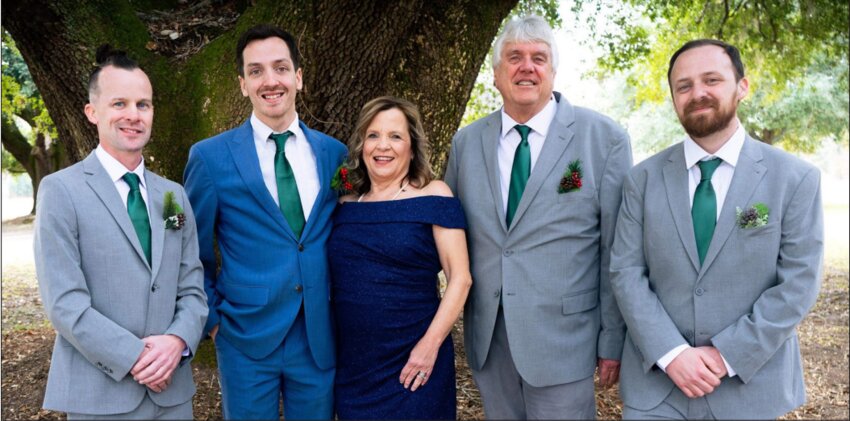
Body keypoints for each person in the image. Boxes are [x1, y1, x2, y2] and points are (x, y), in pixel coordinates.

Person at [609, 39, 824, 419]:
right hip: (656, 391)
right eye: (684, 86)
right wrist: (672, 354)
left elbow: (799, 283)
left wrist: (726, 355)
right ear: (673, 97)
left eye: (712, 79)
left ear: (742, 86)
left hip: (749, 390)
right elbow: (626, 273)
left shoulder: (795, 178)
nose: (698, 93)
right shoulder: (641, 180)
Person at [444, 15, 632, 419]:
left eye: (538, 58)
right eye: (514, 57)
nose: (526, 67)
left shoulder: (604, 139)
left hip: (566, 341)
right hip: (489, 339)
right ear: (496, 74)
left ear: (553, 71)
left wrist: (612, 340)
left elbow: (618, 250)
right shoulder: (467, 143)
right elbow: (449, 236)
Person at [33, 45, 208, 420]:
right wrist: (137, 358)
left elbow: (191, 284)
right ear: (92, 112)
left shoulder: (172, 195)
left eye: (143, 105)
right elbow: (64, 303)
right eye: (120, 104)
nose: (133, 115)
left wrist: (177, 342)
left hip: (172, 394)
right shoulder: (61, 191)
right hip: (101, 395)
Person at [183, 24, 347, 420]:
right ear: (242, 84)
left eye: (280, 68)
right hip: (244, 336)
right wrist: (215, 321)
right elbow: (191, 250)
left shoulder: (334, 154)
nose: (270, 81)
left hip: (318, 336)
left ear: (299, 77)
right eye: (256, 71)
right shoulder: (210, 158)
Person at [328, 96, 471, 419]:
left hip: (415, 360)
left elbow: (460, 278)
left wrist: (429, 346)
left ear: (412, 146)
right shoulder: (346, 205)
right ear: (362, 144)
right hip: (354, 366)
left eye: (395, 136)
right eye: (373, 135)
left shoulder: (435, 195)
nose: (383, 146)